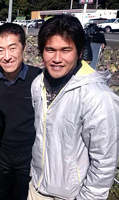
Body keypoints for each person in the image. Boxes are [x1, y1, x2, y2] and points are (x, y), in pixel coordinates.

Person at [29, 15, 119, 200]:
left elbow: (105, 161)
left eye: (66, 50)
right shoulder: (38, 84)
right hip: (37, 189)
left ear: (79, 52)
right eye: (50, 50)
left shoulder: (97, 97)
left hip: (73, 195)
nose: (57, 58)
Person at [0, 23, 42, 200]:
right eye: (0, 50)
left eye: (13, 48)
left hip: (31, 157)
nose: (7, 56)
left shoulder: (39, 79)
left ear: (23, 48)